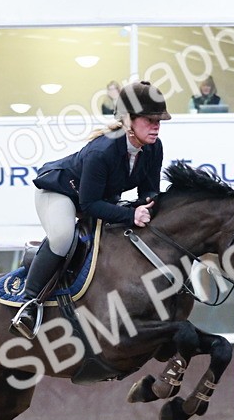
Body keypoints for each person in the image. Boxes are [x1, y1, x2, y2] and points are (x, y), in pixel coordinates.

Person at [14, 80, 170, 339]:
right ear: (128, 120)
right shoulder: (103, 150)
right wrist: (131, 214)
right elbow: (89, 205)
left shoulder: (154, 148)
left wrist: (151, 204)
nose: (156, 126)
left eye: (159, 121)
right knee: (63, 238)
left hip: (97, 199)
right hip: (60, 192)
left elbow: (148, 190)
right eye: (149, 120)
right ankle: (28, 304)